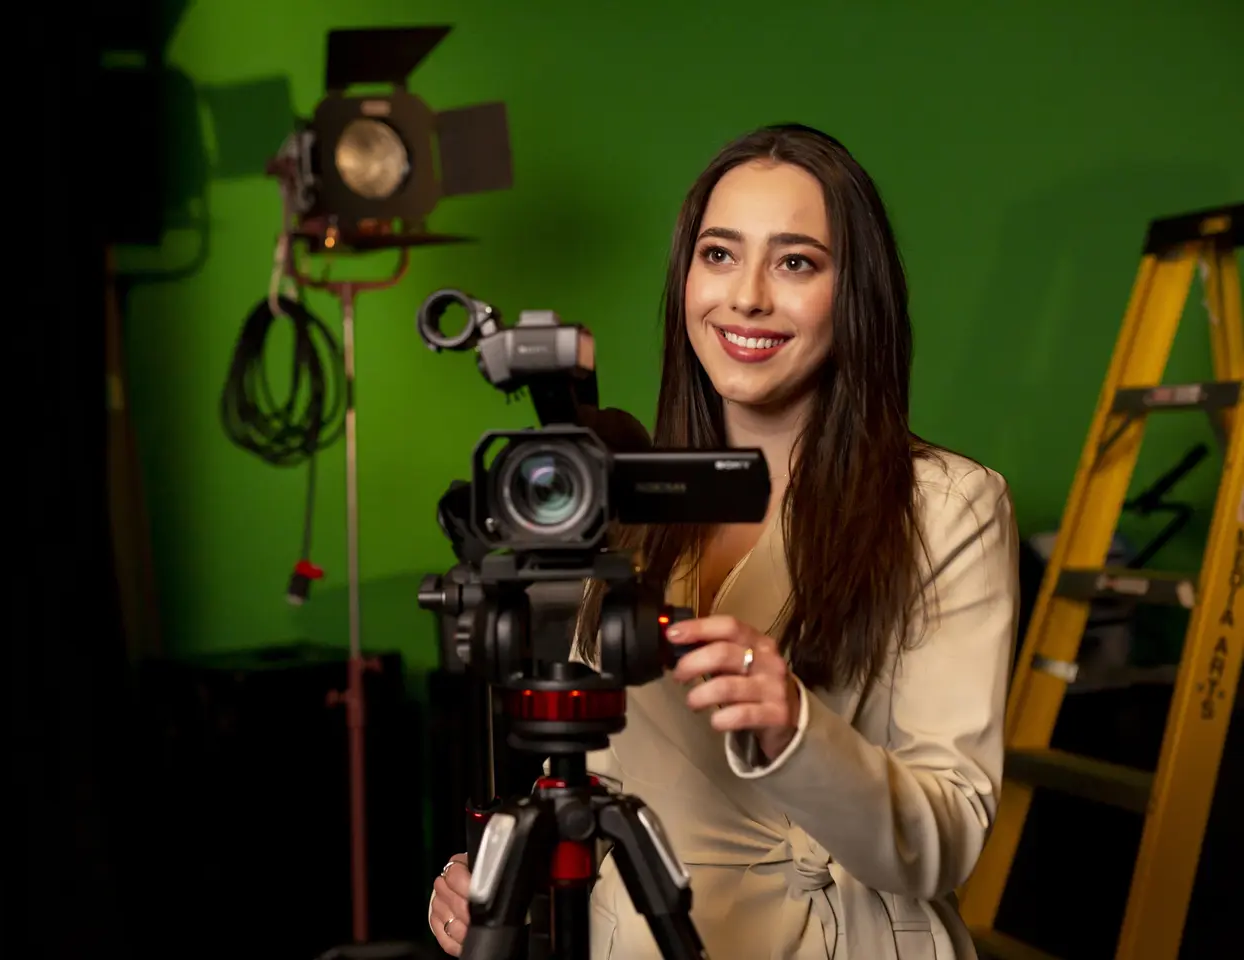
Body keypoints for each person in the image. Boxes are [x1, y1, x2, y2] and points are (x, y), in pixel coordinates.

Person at [426, 122, 1019, 960]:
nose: (746, 297)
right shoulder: (616, 497)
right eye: (719, 254)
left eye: (796, 262)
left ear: (856, 293)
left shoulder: (945, 507)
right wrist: (496, 882)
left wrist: (795, 730)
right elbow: (611, 784)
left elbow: (947, 836)